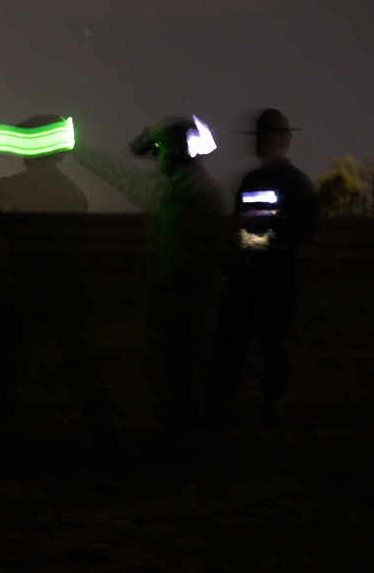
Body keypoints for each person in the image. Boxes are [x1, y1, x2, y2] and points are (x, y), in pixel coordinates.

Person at [72, 116, 227, 439]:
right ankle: (177, 428)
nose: (155, 155)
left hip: (190, 297)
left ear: (178, 149)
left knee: (186, 366)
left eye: (161, 148)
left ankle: (187, 429)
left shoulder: (198, 192)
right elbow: (121, 174)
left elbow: (211, 249)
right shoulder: (169, 188)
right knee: (166, 366)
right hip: (170, 295)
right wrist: (80, 151)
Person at [0, 115, 120, 455]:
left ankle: (0, 437)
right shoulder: (73, 192)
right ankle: (107, 439)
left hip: (31, 285)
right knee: (86, 365)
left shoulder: (10, 187)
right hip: (71, 286)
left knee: (8, 364)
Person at [213, 109, 319, 420]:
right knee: (236, 339)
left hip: (277, 278)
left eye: (267, 136)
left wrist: (261, 250)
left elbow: (302, 231)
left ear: (284, 141)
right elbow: (239, 226)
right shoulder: (256, 180)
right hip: (253, 276)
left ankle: (271, 400)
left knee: (273, 342)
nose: (261, 143)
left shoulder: (295, 183)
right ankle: (229, 398)